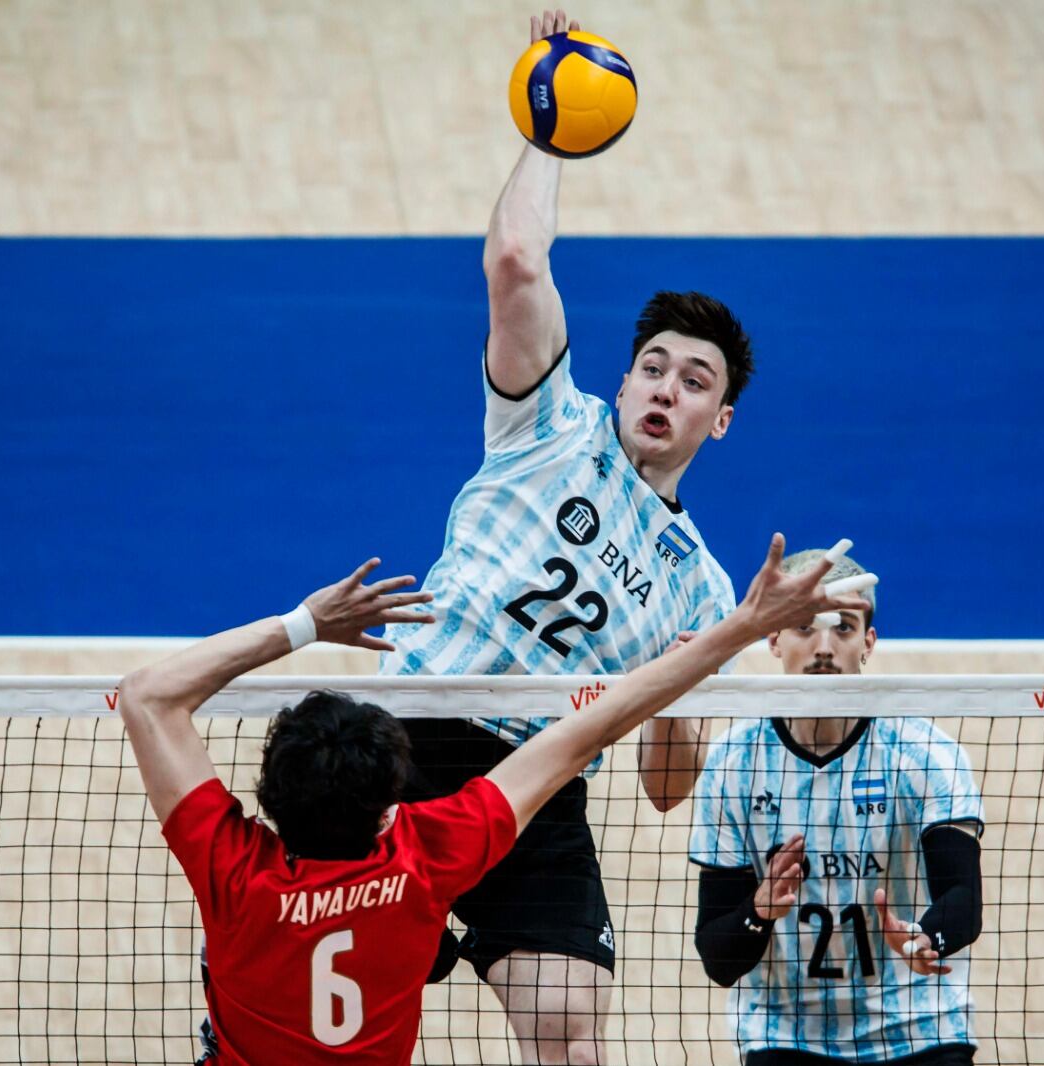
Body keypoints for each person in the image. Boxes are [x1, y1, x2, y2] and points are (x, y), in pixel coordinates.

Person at [377, 10, 757, 1062]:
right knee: (330, 993)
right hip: (408, 727)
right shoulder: (548, 419)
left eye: (695, 382)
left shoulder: (703, 587)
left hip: (537, 779)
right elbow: (511, 258)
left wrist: (678, 694)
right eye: (655, 366)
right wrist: (551, 128)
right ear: (625, 374)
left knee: (570, 1026)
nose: (665, 389)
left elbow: (669, 789)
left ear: (715, 421)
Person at [117, 537, 868, 1066]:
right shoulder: (425, 857)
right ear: (389, 811)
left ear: (268, 805)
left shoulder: (233, 873)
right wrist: (742, 627)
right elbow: (587, 732)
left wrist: (307, 623)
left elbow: (149, 696)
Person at [688, 548, 986, 1065]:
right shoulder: (734, 762)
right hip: (785, 1034)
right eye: (804, 627)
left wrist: (925, 936)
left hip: (917, 1028)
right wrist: (759, 910)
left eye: (843, 628)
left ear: (868, 643)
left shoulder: (923, 751)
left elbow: (963, 897)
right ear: (774, 638)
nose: (824, 647)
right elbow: (719, 957)